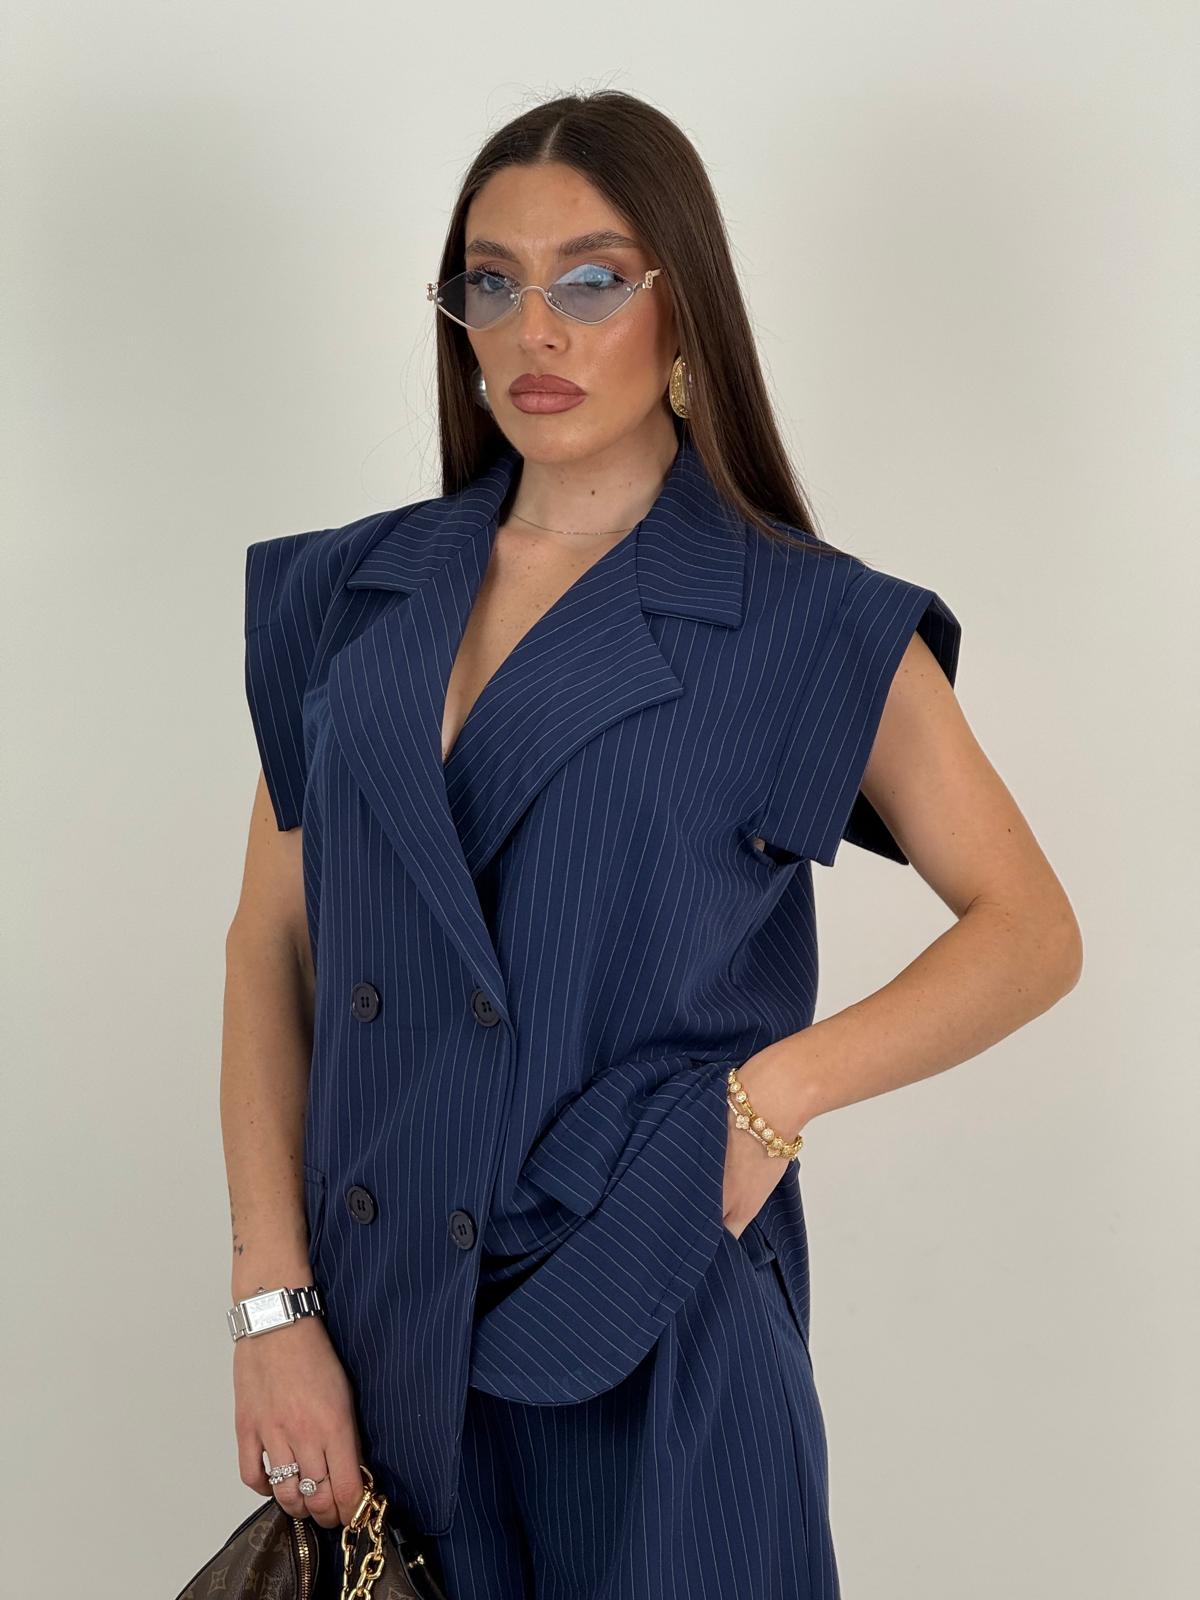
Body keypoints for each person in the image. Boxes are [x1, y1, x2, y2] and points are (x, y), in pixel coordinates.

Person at [220, 90, 1083, 1600]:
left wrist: (772, 1096)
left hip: (658, 1313)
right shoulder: (350, 599)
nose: (535, 328)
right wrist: (270, 1306)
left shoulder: (807, 620)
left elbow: (1029, 930)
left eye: (592, 279)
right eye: (492, 283)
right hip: (376, 1339)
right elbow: (270, 949)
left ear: (684, 307)